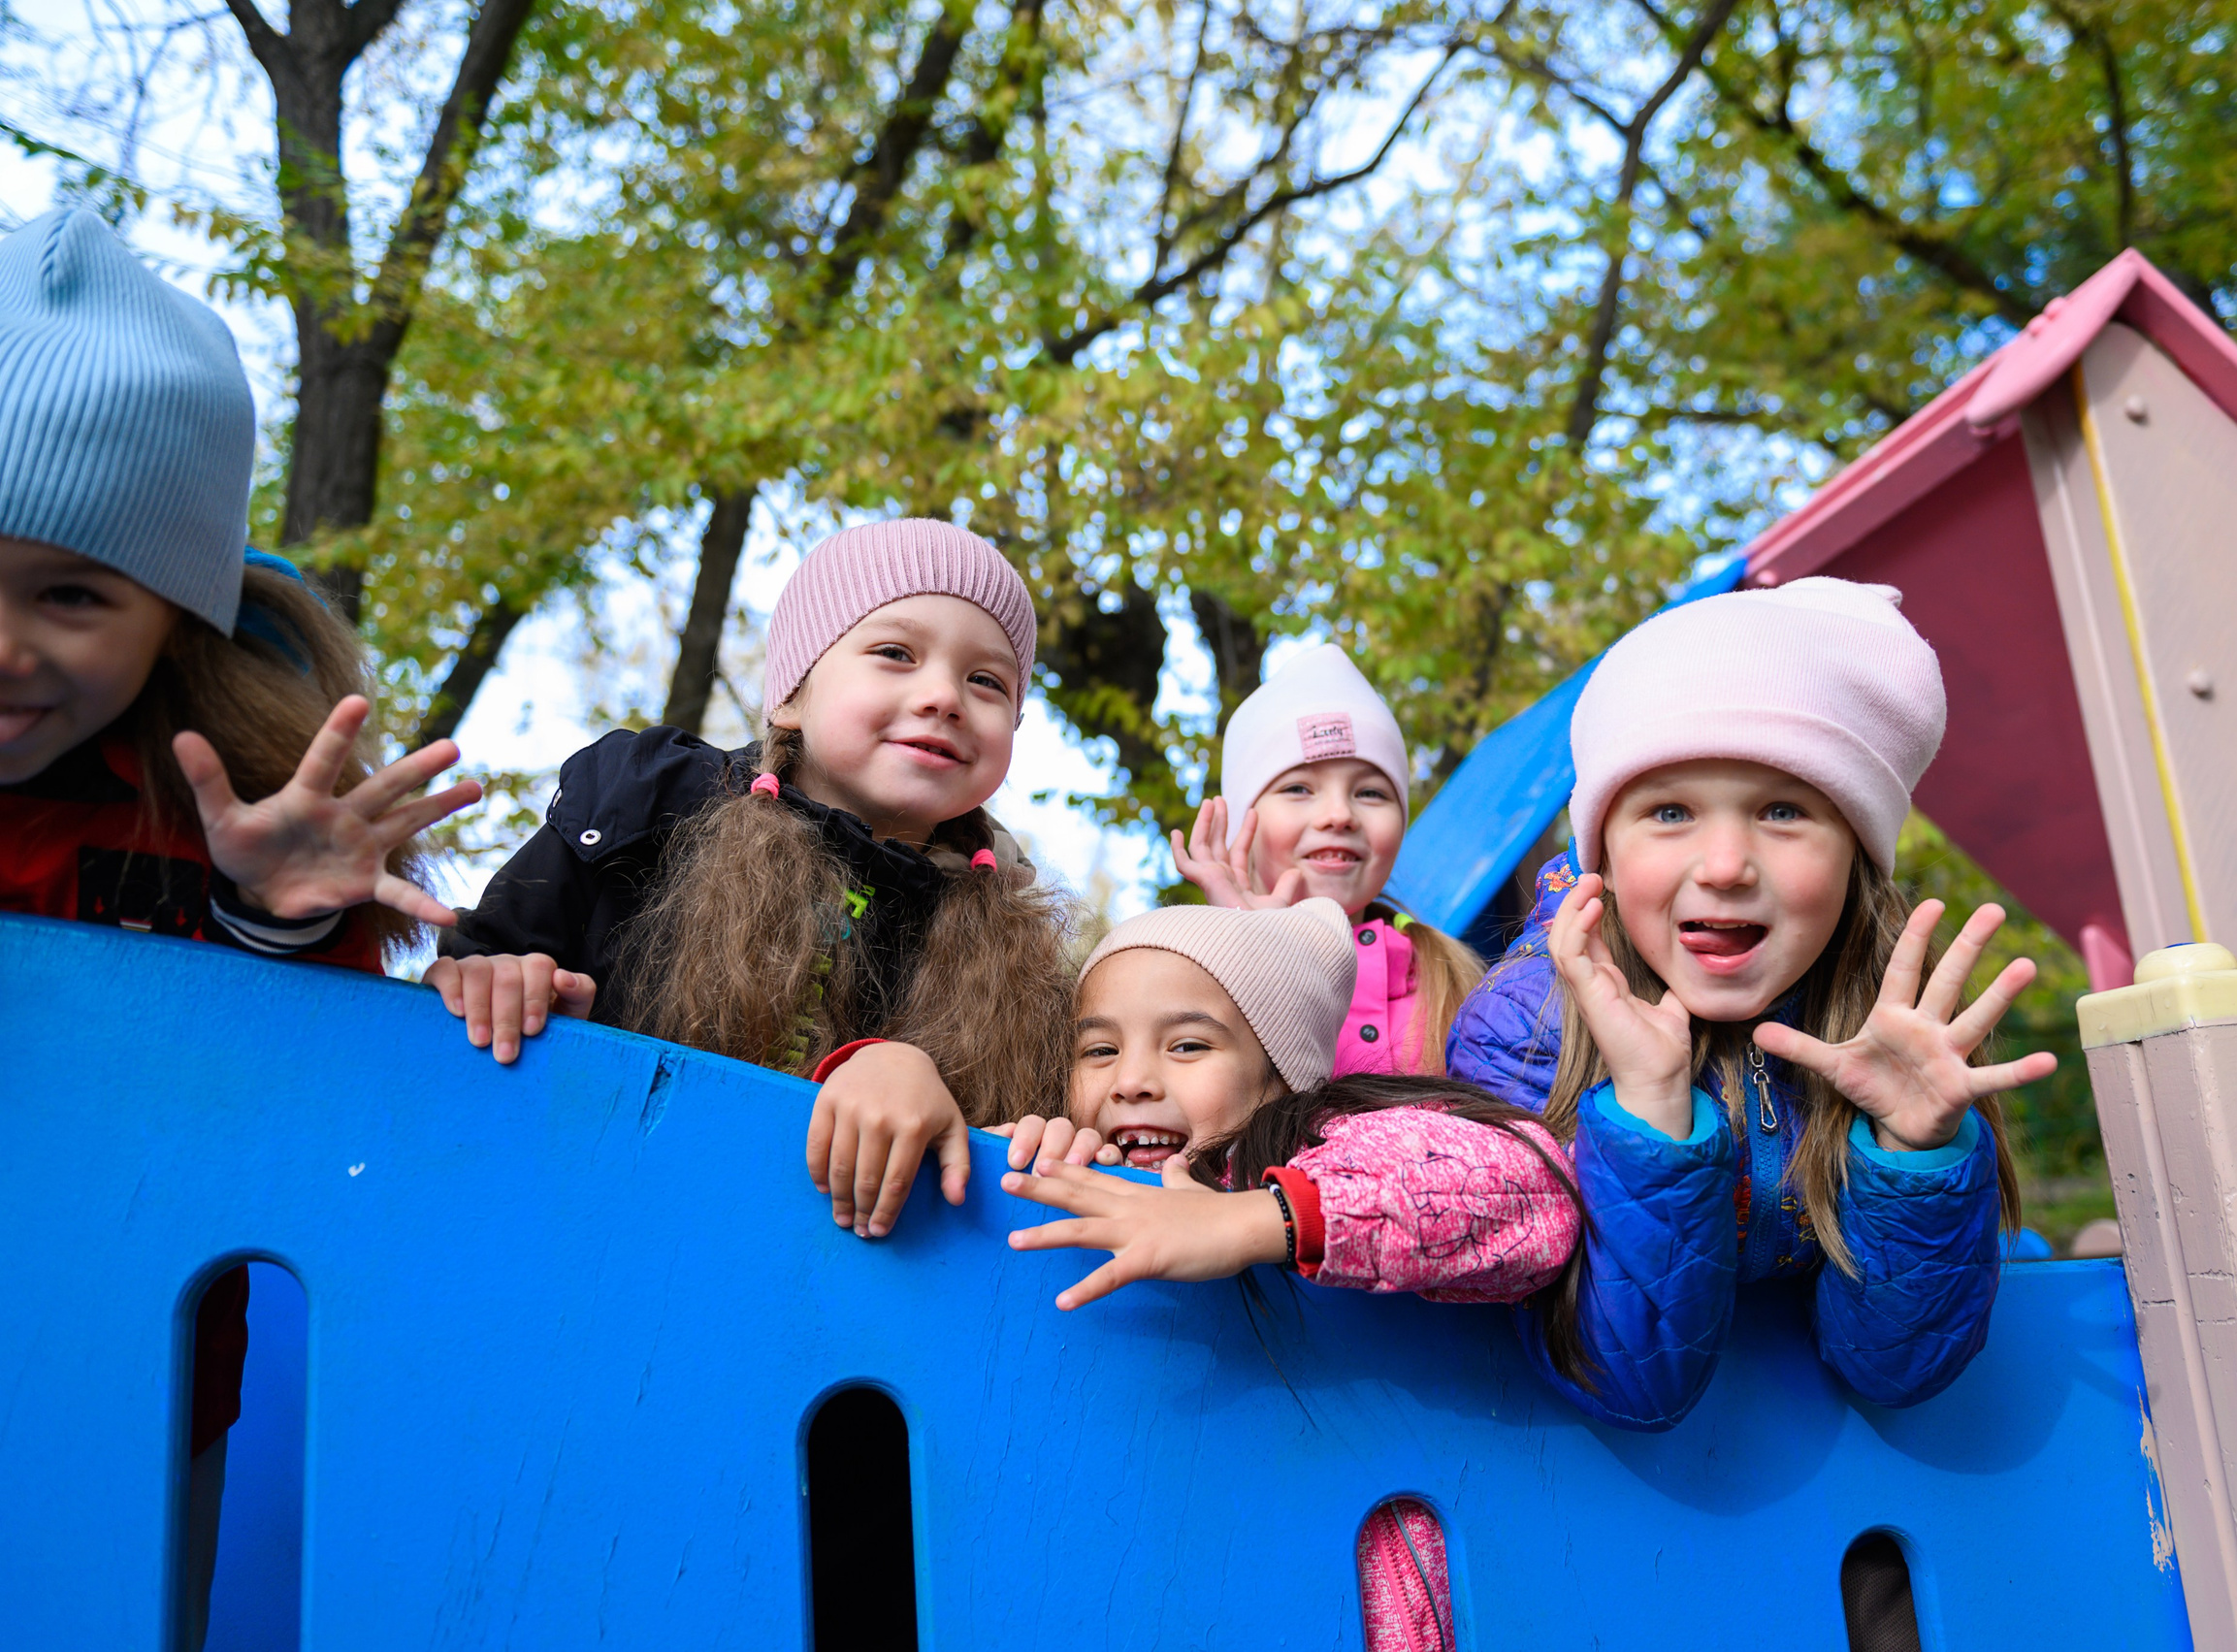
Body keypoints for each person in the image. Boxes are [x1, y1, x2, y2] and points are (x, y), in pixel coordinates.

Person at [0, 207, 477, 1647]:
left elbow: (291, 1119)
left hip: (132, 1401)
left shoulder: (208, 822)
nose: (5, 646)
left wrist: (269, 921)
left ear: (175, 618)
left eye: (71, 594)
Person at [1448, 576, 2052, 1429]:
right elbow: (1625, 1382)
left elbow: (1895, 1371)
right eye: (1669, 811)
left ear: (1854, 856)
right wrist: (1651, 1112)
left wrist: (1916, 1151)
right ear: (1603, 856)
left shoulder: (1897, 1020)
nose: (1726, 863)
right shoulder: (1529, 1025)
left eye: (1782, 810)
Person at [433, 518, 1078, 1238]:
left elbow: (1024, 1158)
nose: (945, 695)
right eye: (896, 652)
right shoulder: (651, 813)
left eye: (986, 681)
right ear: (792, 696)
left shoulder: (1018, 953)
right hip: (577, 1221)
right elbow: (476, 969)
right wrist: (492, 979)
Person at [998, 898, 1583, 1652]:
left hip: (1358, 1593)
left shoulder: (1319, 1144)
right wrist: (1019, 1165)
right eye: (1099, 1051)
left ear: (1278, 1073)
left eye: (1185, 1045)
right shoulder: (1085, 1166)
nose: (1132, 1080)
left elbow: (1528, 1193)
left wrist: (1253, 1220)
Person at [1170, 643, 1479, 1076]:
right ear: (1245, 821)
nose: (1339, 815)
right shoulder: (1178, 979)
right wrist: (1247, 947)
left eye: (1370, 792)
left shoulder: (1460, 985)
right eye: (1299, 789)